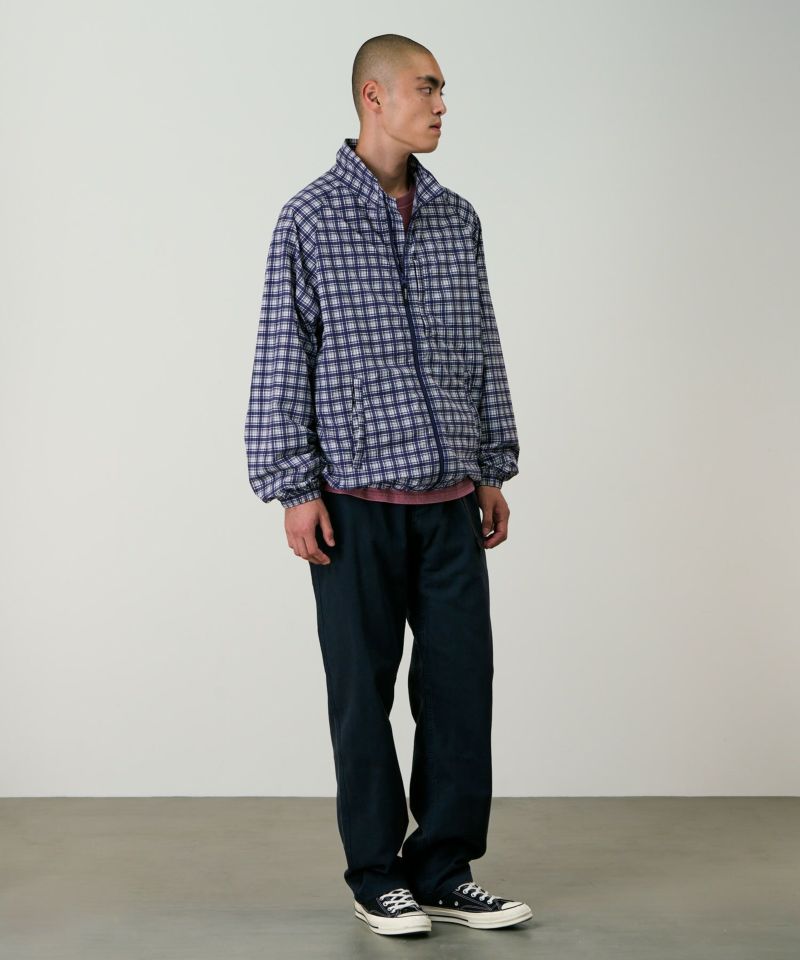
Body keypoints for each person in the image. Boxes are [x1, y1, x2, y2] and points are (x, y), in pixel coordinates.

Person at [244, 33, 532, 937]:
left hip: (449, 505)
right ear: (374, 96)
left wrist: (489, 465)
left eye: (443, 89)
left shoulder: (457, 218)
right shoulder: (310, 218)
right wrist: (294, 487)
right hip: (353, 507)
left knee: (460, 690)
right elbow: (282, 356)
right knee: (361, 698)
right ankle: (376, 874)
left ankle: (442, 867)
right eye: (426, 87)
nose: (442, 104)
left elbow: (481, 344)